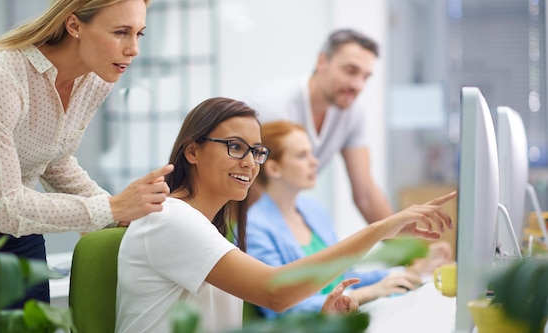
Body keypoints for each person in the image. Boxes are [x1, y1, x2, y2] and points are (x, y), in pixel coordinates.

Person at [0, 0, 173, 306]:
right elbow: (8, 207)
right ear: (74, 25)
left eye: (138, 33)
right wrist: (111, 207)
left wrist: (123, 216)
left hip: (21, 233)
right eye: (120, 32)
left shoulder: (95, 78)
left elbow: (55, 161)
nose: (134, 49)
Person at [115, 96, 456, 333]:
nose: (249, 162)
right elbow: (275, 293)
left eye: (256, 152)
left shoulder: (210, 228)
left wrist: (323, 319)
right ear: (192, 150)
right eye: (235, 147)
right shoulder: (171, 218)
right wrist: (381, 229)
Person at [246, 120, 454, 318]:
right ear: (274, 168)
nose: (314, 162)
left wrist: (407, 271)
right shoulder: (254, 226)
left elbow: (344, 277)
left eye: (311, 153)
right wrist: (366, 293)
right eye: (302, 155)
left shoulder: (313, 211)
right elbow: (281, 308)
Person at [247, 28, 392, 224]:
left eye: (365, 77)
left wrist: (410, 251)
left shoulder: (352, 114)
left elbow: (365, 194)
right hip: (244, 218)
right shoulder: (275, 106)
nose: (358, 85)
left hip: (284, 215)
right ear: (322, 61)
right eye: (351, 71)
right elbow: (252, 188)